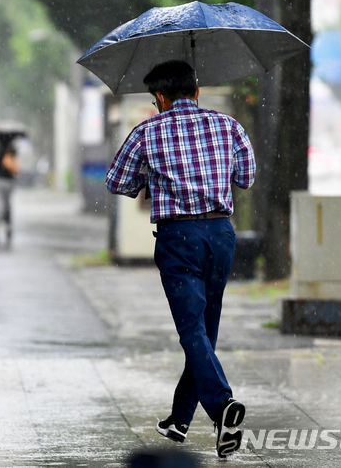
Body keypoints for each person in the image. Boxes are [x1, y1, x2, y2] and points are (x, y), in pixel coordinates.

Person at [105, 60, 256, 458]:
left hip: (179, 237)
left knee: (192, 329)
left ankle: (223, 406)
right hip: (221, 234)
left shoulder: (147, 132)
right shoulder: (228, 126)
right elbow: (246, 177)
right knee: (206, 326)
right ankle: (180, 419)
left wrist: (150, 179)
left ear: (159, 97)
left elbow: (117, 181)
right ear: (197, 90)